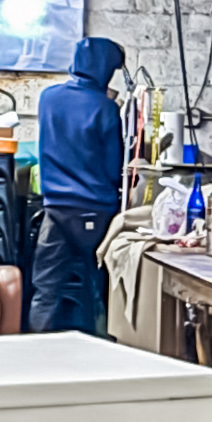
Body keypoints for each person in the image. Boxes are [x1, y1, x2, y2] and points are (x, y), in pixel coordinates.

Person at [28, 33, 124, 334]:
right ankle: (100, 356)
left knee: (45, 291)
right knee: (98, 292)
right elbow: (113, 167)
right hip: (95, 212)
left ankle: (33, 356)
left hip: (55, 211)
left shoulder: (48, 98)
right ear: (105, 70)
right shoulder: (105, 109)